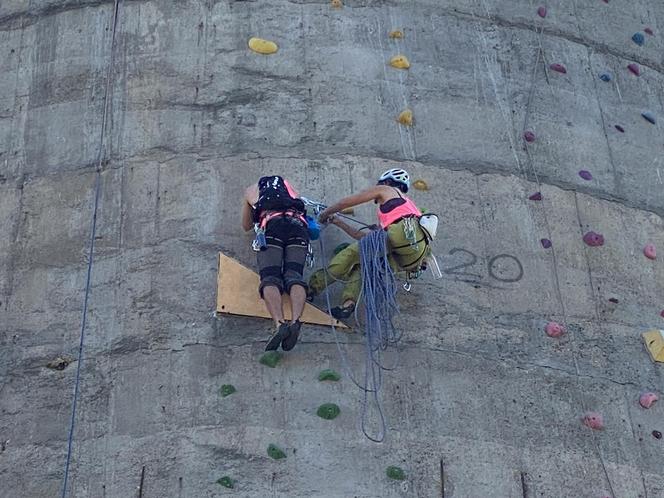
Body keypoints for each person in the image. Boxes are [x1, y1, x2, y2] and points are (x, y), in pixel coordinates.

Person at [309, 168, 430, 318]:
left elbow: (345, 203)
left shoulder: (386, 189)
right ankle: (348, 305)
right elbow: (364, 239)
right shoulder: (409, 209)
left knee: (347, 256)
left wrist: (325, 213)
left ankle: (311, 289)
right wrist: (338, 222)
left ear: (386, 182)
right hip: (414, 255)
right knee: (363, 266)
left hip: (400, 240)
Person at [241, 175, 309, 351]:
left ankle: (280, 324)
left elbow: (246, 225)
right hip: (298, 226)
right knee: (295, 275)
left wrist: (248, 204)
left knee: (270, 277)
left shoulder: (252, 189)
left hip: (272, 225)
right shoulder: (290, 189)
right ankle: (295, 321)